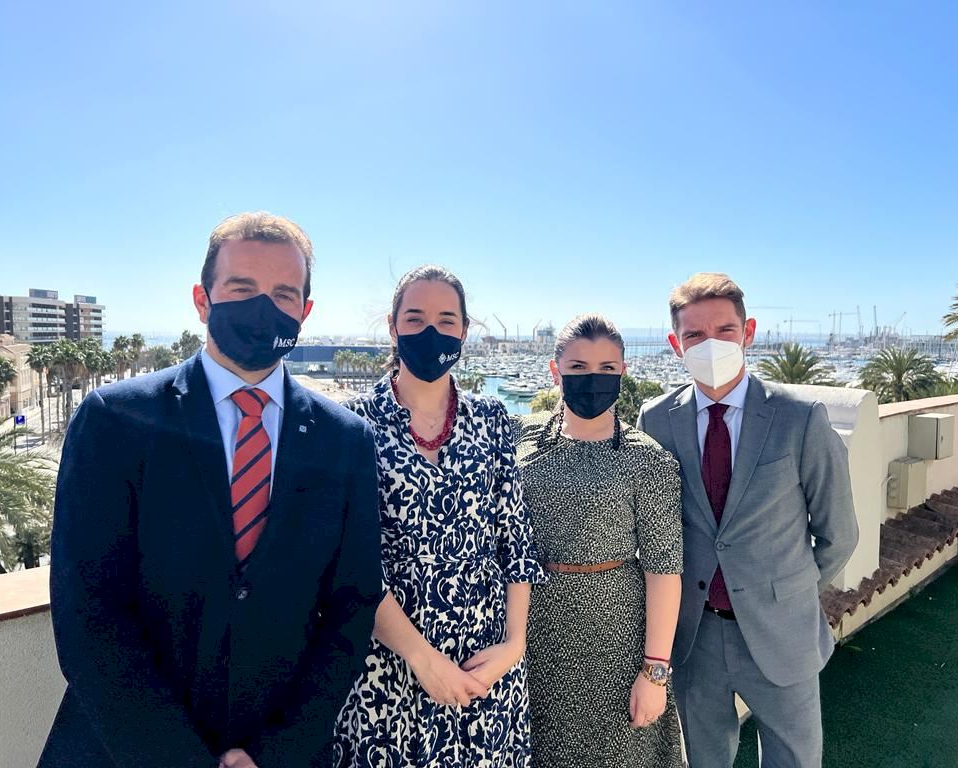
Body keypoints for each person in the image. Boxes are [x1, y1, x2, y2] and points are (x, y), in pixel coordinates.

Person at [39, 212, 383, 768]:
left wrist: (277, 752)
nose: (264, 308)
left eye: (283, 294)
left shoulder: (345, 440)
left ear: (305, 312)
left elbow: (352, 607)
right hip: (124, 752)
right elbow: (89, 612)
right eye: (242, 288)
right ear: (202, 300)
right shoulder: (116, 420)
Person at [637, 273, 859, 768]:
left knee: (794, 759)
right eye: (695, 335)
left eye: (724, 330)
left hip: (782, 631)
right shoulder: (656, 420)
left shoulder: (800, 418)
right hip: (694, 636)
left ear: (748, 332)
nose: (710, 344)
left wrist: (784, 590)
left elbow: (839, 533)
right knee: (705, 759)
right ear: (675, 344)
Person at [332, 265, 547, 767]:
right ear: (392, 327)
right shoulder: (351, 424)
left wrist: (514, 645)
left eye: (447, 320)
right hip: (387, 671)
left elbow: (515, 539)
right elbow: (349, 563)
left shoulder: (492, 419)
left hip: (486, 669)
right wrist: (422, 659)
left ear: (465, 331)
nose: (431, 331)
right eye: (415, 318)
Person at [514, 314, 684, 768]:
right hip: (529, 630)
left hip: (614, 637)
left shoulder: (647, 460)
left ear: (623, 372)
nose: (593, 378)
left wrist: (655, 672)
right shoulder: (521, 439)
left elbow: (664, 571)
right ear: (555, 372)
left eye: (607, 368)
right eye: (578, 367)